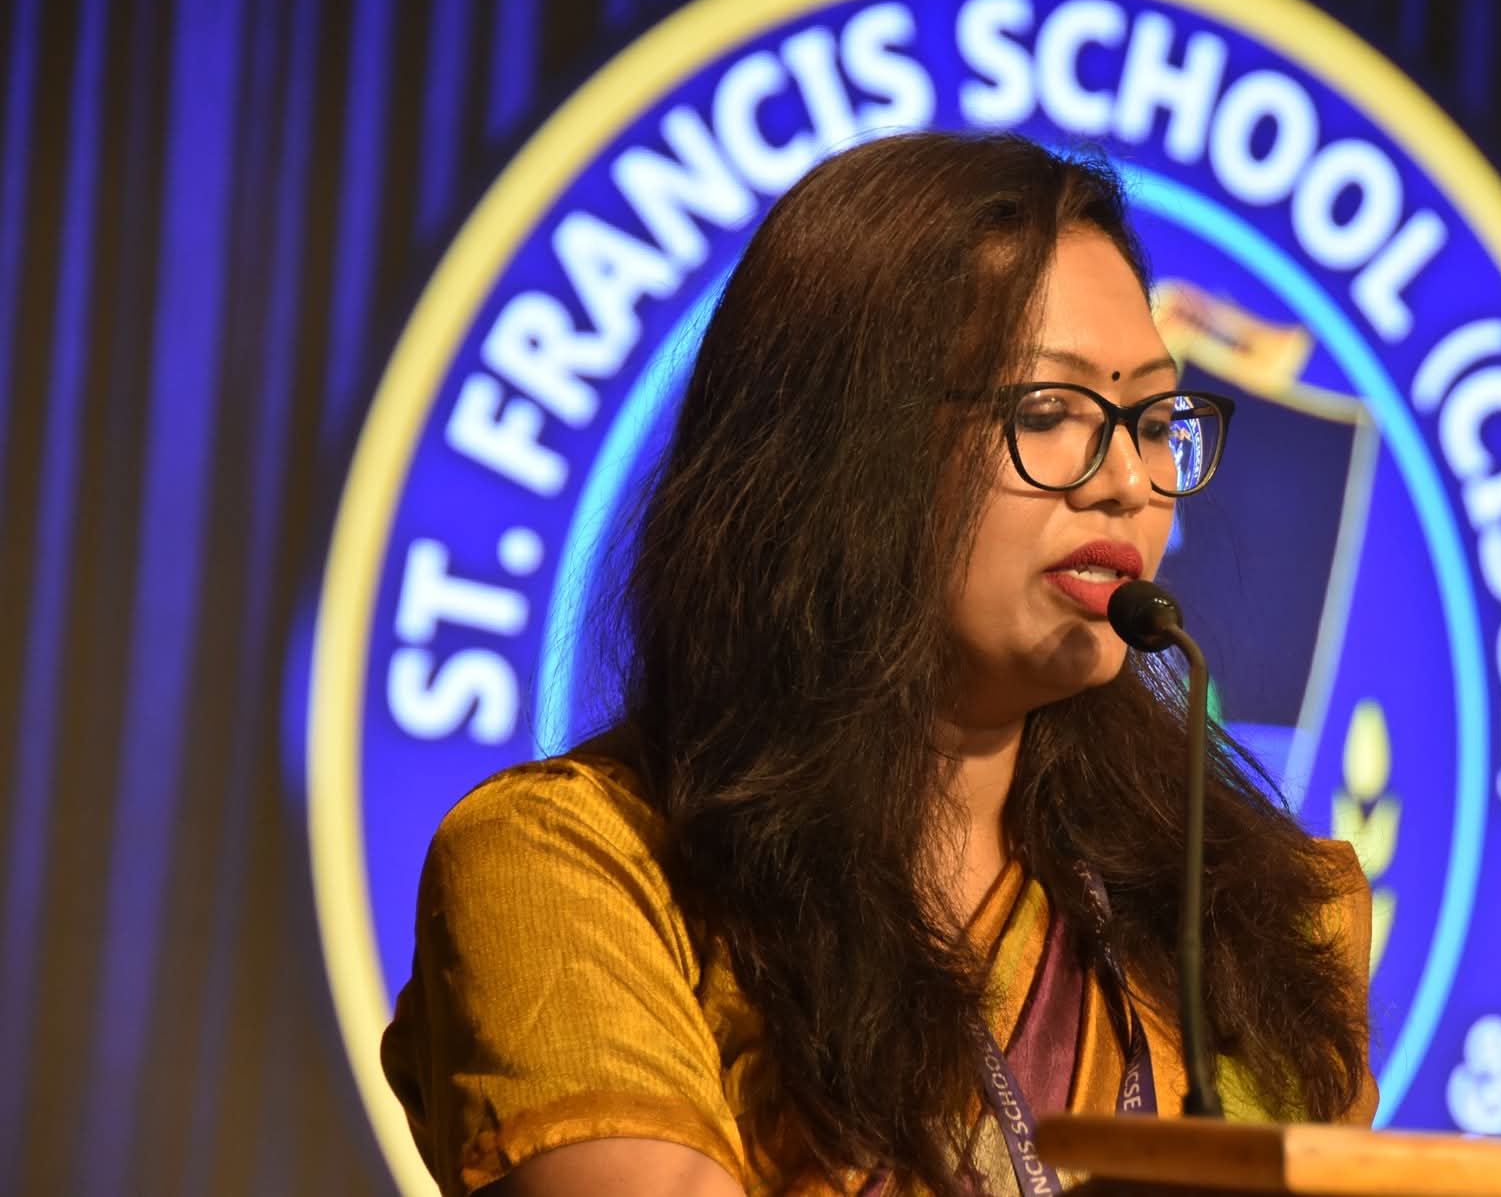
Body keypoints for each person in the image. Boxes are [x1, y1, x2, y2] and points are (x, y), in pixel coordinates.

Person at [380, 131, 1377, 1196]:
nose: (1130, 481)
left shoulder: (1254, 926)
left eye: (1152, 419)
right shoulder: (575, 867)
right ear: (840, 449)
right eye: (1050, 410)